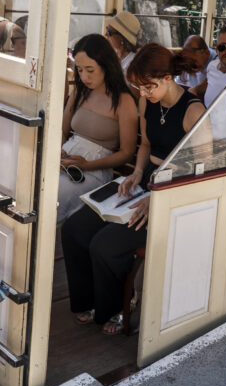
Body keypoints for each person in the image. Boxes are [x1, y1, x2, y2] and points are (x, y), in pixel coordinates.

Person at [61, 43, 207, 335]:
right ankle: (87, 299)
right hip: (145, 178)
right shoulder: (146, 100)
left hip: (174, 189)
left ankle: (119, 303)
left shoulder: (193, 110)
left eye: (149, 86)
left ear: (168, 78)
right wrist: (138, 171)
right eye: (139, 87)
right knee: (74, 229)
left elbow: (200, 169)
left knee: (105, 244)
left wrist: (159, 195)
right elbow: (147, 145)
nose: (143, 93)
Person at [57, 34, 138, 221]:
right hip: (68, 158)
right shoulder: (80, 91)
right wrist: (59, 150)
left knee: (52, 195)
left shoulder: (123, 101)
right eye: (79, 70)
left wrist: (87, 165)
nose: (84, 76)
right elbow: (62, 129)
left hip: (96, 168)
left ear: (105, 66)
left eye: (90, 70)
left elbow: (126, 152)